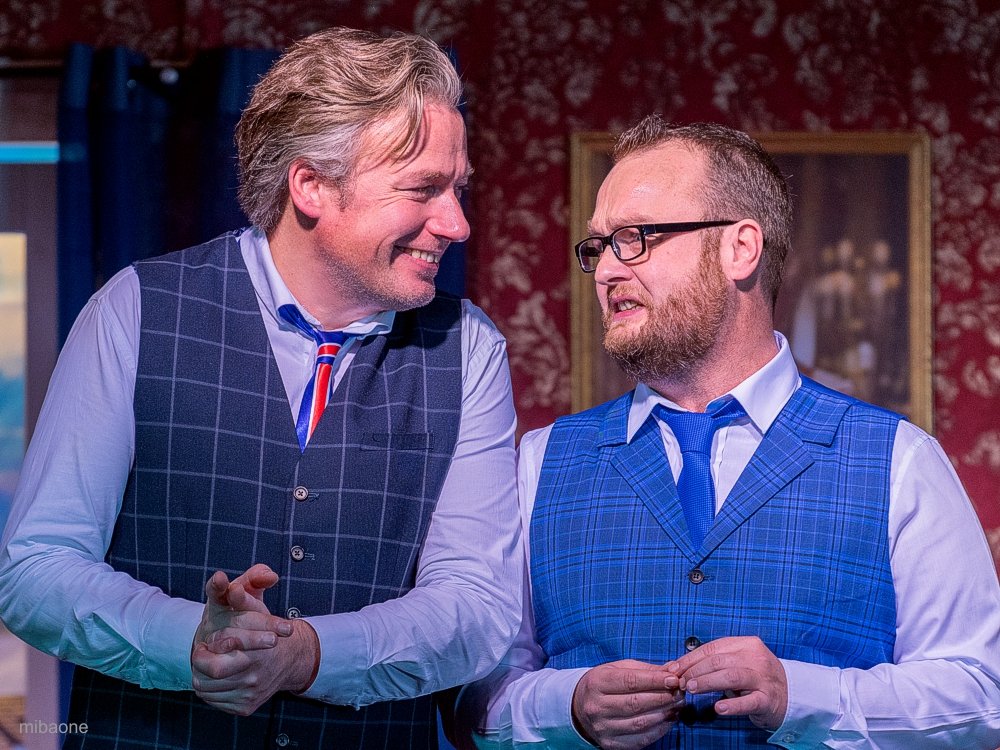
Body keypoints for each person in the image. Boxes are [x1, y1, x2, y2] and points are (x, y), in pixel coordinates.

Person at [0, 27, 522, 749]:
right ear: (311, 186)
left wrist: (307, 655)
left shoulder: (469, 348)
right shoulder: (136, 309)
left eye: (458, 188)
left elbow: (478, 605)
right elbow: (36, 571)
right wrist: (191, 640)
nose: (457, 223)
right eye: (423, 189)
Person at [448, 117, 1000, 749]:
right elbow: (470, 696)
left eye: (635, 238)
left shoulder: (900, 461)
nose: (604, 272)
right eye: (599, 246)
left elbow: (982, 699)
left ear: (741, 248)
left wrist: (799, 696)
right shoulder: (539, 462)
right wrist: (564, 707)